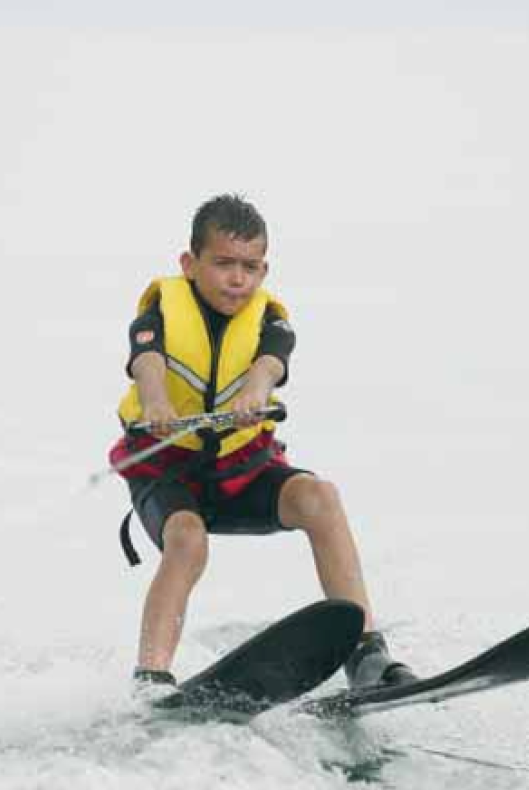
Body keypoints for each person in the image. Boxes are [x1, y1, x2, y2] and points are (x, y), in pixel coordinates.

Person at [109, 194, 416, 692]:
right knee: (186, 540)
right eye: (224, 264)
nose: (238, 279)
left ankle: (366, 657)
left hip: (241, 474)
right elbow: (148, 364)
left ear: (264, 270)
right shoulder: (159, 313)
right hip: (168, 474)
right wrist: (157, 403)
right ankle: (151, 678)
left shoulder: (271, 320)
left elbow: (270, 364)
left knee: (321, 497)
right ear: (190, 264)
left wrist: (256, 391)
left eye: (250, 267)